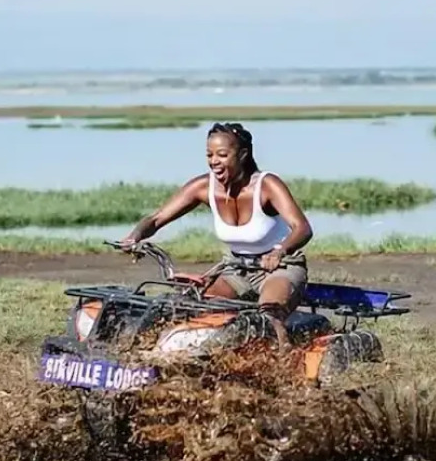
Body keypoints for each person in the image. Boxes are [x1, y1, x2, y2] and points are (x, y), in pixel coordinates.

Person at [119, 122, 313, 340]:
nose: (214, 162)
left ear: (242, 155)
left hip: (279, 268)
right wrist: (134, 236)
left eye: (222, 155)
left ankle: (284, 366)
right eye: (209, 155)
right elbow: (156, 219)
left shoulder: (267, 185)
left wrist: (280, 251)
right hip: (235, 269)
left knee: (269, 316)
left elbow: (302, 228)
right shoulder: (204, 187)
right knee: (192, 306)